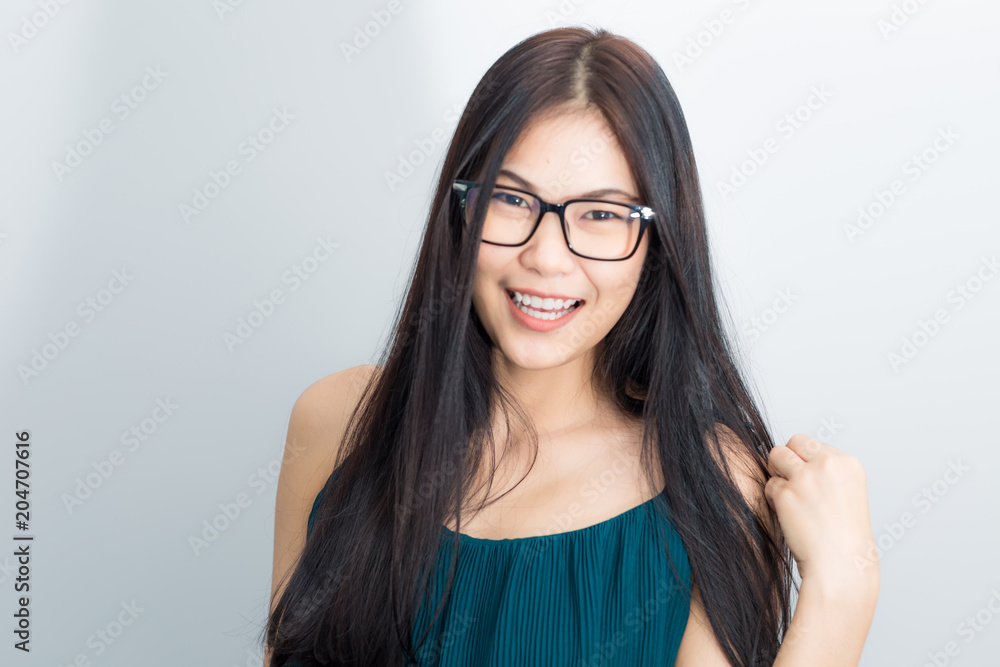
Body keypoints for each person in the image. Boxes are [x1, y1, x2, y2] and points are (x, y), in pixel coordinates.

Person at [261, 26, 880, 666]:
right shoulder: (337, 420)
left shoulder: (712, 484)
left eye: (603, 214)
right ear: (460, 210)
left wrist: (843, 592)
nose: (546, 258)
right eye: (509, 198)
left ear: (658, 242)